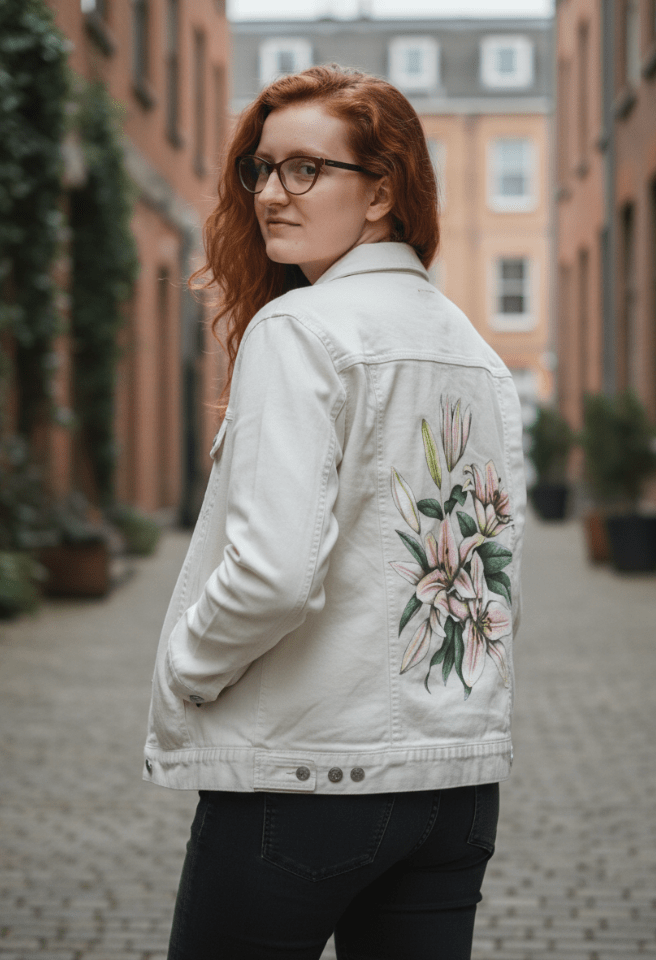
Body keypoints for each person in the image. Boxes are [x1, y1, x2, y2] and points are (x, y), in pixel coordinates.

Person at [144, 65, 526, 960]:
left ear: (383, 191)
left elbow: (273, 575)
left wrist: (187, 667)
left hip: (305, 783)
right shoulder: (475, 350)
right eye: (262, 168)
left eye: (306, 170)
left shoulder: (303, 330)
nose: (272, 193)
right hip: (455, 791)